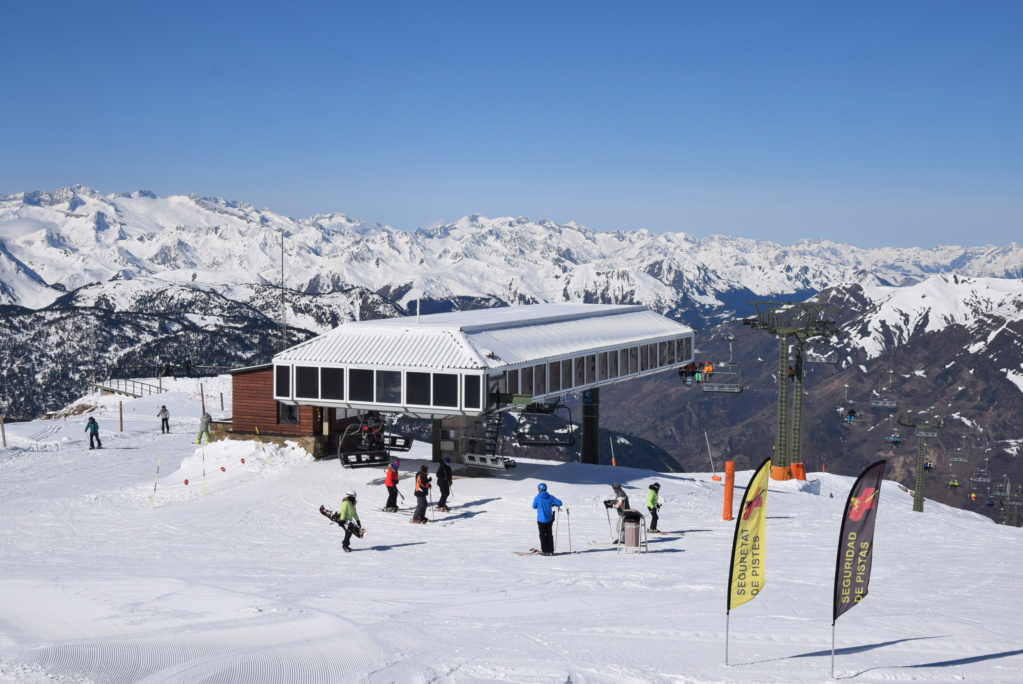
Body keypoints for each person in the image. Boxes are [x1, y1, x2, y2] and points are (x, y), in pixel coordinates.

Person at [531, 483, 562, 556]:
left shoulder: (537, 498)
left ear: (540, 489)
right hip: (549, 519)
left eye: (538, 489)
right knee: (549, 535)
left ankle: (545, 551)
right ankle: (551, 550)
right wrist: (553, 504)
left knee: (542, 535)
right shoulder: (550, 497)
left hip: (541, 520)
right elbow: (560, 503)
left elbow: (534, 506)